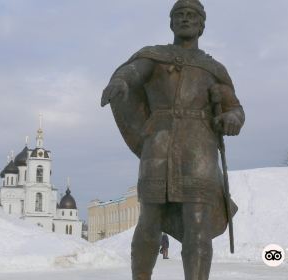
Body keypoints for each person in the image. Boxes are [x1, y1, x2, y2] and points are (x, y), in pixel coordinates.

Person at [101, 1, 244, 279]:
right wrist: (121, 81)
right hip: (159, 145)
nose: (185, 19)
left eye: (192, 15)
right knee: (149, 220)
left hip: (199, 149)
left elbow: (234, 107)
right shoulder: (154, 57)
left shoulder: (213, 68)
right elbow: (132, 71)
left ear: (202, 24)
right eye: (179, 15)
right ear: (171, 23)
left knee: (198, 224)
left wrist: (232, 119)